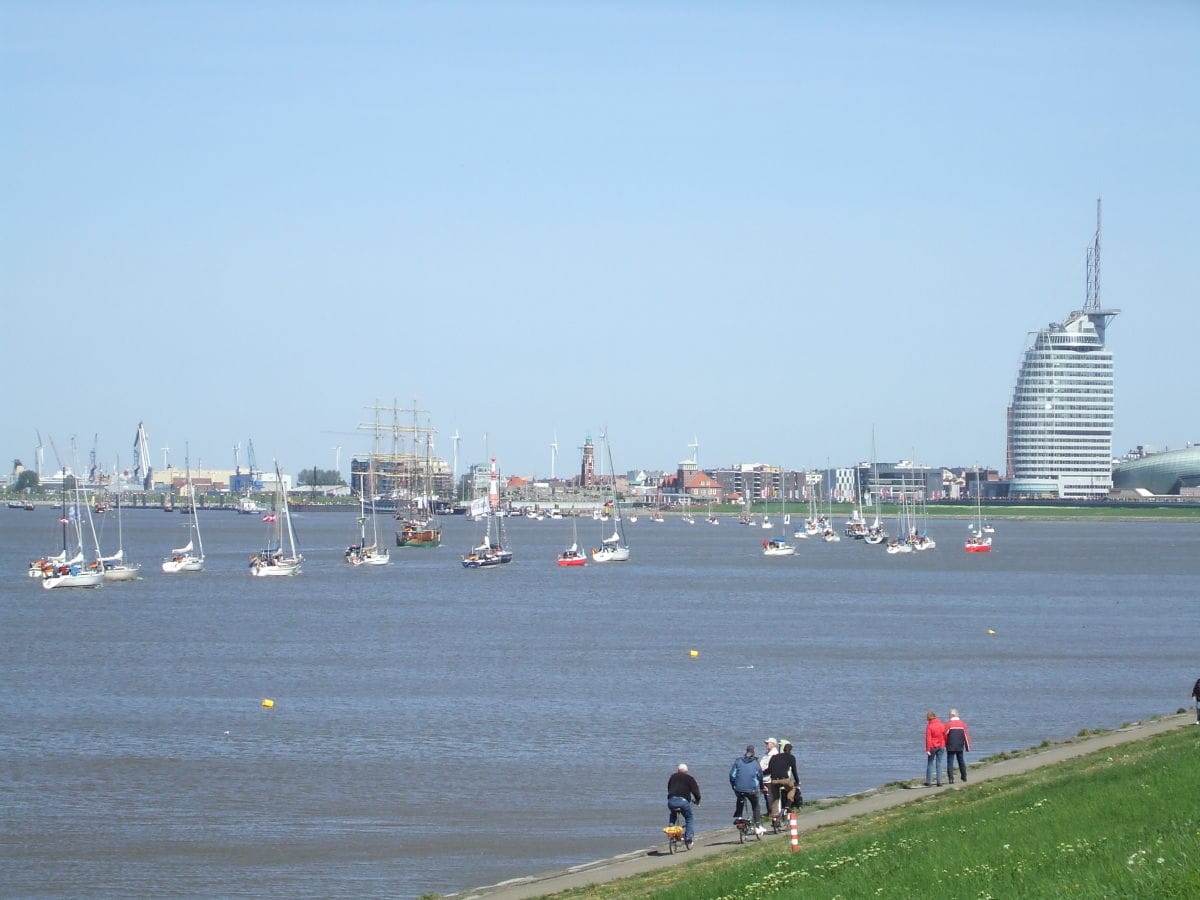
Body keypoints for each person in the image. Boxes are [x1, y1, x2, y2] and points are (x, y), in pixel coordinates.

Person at [666, 763, 701, 848]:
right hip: (683, 802)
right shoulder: (690, 778)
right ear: (687, 771)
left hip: (671, 801)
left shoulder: (672, 777)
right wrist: (697, 800)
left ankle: (671, 827)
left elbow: (669, 788)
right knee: (689, 818)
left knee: (673, 814)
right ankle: (688, 838)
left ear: (678, 771)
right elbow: (696, 792)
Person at [765, 741, 800, 819]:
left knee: (776, 798)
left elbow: (769, 770)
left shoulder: (774, 757)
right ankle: (787, 806)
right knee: (792, 789)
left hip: (774, 781)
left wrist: (761, 773)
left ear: (783, 749)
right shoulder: (791, 757)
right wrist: (797, 781)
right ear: (790, 750)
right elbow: (794, 771)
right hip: (785, 780)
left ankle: (774, 817)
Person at [729, 744, 763, 823]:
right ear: (754, 753)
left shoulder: (738, 761)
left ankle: (739, 817)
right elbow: (760, 776)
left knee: (740, 797)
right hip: (751, 790)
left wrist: (733, 785)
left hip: (738, 788)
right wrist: (761, 787)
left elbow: (732, 775)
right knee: (755, 805)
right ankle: (758, 825)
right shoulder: (756, 763)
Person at [944, 709, 972, 783]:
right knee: (961, 761)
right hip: (960, 745)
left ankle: (951, 778)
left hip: (950, 745)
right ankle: (964, 776)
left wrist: (944, 744)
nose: (948, 716)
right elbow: (966, 736)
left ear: (952, 715)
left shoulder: (948, 724)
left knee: (950, 762)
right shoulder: (963, 724)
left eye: (949, 714)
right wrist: (968, 747)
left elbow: (945, 735)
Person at [924, 710, 947, 786]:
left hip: (932, 746)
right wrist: (944, 744)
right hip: (941, 746)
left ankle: (928, 782)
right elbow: (945, 735)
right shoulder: (942, 724)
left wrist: (927, 749)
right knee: (939, 763)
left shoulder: (929, 726)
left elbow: (928, 738)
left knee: (930, 763)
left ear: (928, 718)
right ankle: (939, 782)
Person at [758, 737, 778, 819]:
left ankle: (771, 813)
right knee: (766, 796)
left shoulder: (774, 754)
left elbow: (771, 767)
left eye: (768, 743)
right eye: (766, 743)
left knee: (769, 796)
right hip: (764, 777)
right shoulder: (767, 753)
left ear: (773, 744)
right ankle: (769, 812)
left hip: (768, 778)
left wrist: (762, 772)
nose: (766, 745)